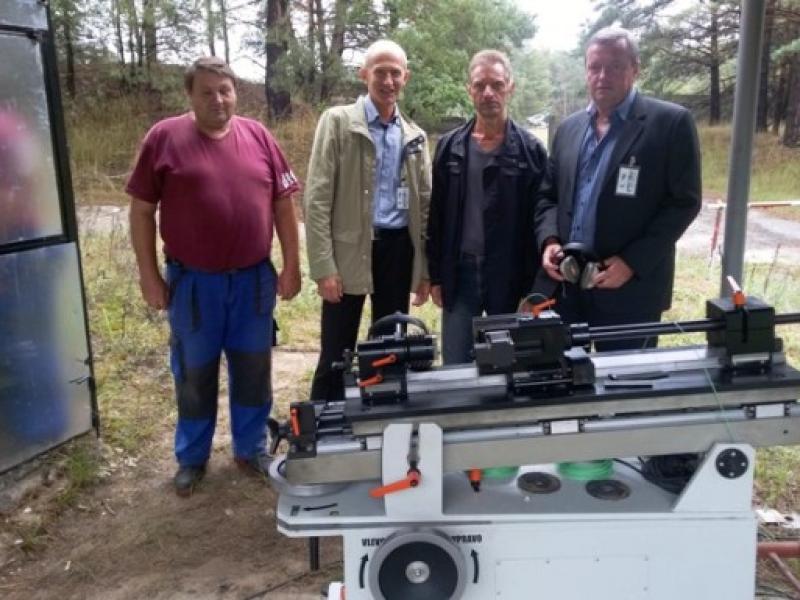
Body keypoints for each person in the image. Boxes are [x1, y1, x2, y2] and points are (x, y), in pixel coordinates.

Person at [126, 56, 301, 497]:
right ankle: (192, 457)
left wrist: (292, 265)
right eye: (206, 92)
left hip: (253, 281)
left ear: (235, 92)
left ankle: (250, 448)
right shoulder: (163, 138)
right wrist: (149, 275)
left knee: (253, 367)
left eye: (225, 90)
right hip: (194, 284)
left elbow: (283, 205)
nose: (217, 100)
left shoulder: (258, 136)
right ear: (190, 95)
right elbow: (142, 211)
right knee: (194, 371)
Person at [534, 27, 701, 350]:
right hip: (568, 288)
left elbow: (684, 203)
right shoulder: (568, 129)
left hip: (630, 292)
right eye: (595, 67)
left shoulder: (670, 124)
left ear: (635, 69)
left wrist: (632, 262)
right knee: (564, 376)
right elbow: (548, 196)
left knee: (626, 379)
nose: (602, 76)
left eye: (615, 66)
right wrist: (550, 240)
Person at [304, 39, 432, 401]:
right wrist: (324, 267)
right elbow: (317, 198)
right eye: (380, 72)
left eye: (395, 73)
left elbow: (424, 207)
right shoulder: (338, 123)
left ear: (406, 77)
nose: (388, 81)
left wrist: (423, 270)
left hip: (397, 251)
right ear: (364, 75)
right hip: (349, 250)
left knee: (390, 346)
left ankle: (381, 417)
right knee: (336, 349)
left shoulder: (415, 137)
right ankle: (324, 418)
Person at [426, 50, 547, 364]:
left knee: (506, 363)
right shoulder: (450, 147)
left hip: (508, 274)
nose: (488, 93)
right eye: (480, 85)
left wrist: (534, 288)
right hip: (460, 272)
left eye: (497, 84)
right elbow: (436, 216)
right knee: (455, 363)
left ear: (510, 87)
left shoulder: (531, 150)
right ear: (469, 90)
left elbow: (540, 220)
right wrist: (436, 275)